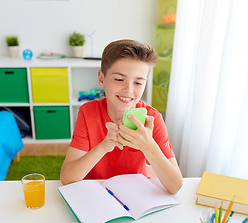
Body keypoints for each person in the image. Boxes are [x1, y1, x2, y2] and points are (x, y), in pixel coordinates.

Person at [60, 39, 183, 194]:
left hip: (135, 192)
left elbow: (175, 186)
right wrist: (104, 147)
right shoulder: (88, 112)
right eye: (119, 79)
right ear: (101, 78)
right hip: (96, 191)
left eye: (138, 83)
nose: (128, 90)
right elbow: (67, 178)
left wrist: (148, 145)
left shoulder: (152, 119)